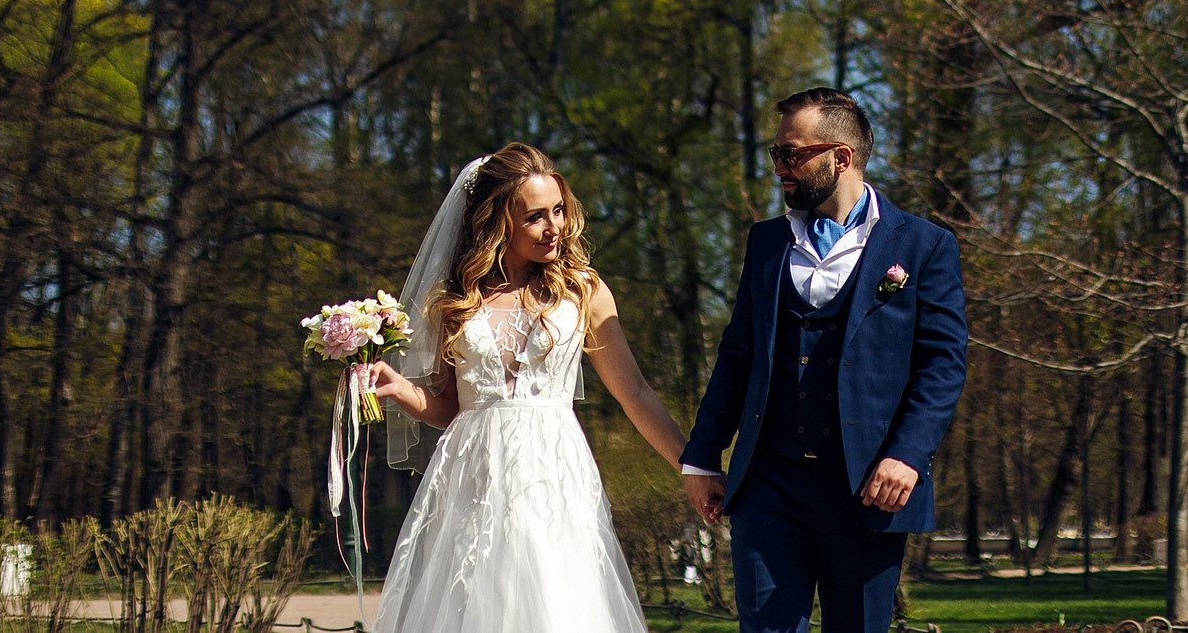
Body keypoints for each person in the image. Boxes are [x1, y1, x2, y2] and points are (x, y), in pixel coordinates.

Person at [360, 144, 691, 633]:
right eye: (535, 216)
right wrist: (398, 387)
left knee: (556, 603)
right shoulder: (453, 299)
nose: (554, 226)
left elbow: (635, 393)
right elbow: (449, 406)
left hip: (553, 475)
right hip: (474, 476)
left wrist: (692, 467)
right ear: (497, 222)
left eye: (558, 210)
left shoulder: (582, 289)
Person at [679, 88, 969, 633]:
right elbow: (738, 355)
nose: (780, 170)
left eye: (793, 155)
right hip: (769, 482)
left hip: (867, 485)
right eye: (776, 155)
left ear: (841, 157)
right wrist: (701, 458)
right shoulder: (766, 242)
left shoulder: (925, 246)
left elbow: (944, 363)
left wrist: (907, 454)